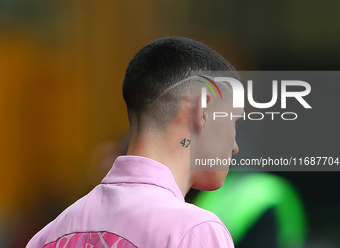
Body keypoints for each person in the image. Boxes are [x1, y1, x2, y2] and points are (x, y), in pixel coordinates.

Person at [26, 37, 244, 248]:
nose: (235, 146)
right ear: (202, 111)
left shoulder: (48, 236)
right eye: (232, 120)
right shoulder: (194, 231)